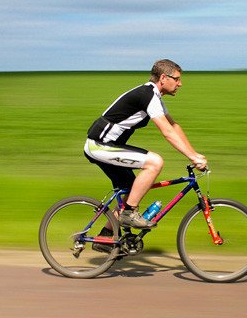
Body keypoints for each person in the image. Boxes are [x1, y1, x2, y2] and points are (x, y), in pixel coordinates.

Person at [84, 59, 208, 230]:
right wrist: (192, 157)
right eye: (177, 79)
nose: (180, 83)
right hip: (99, 145)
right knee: (155, 162)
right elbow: (167, 131)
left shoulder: (153, 96)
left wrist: (195, 154)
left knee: (131, 192)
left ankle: (105, 237)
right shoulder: (148, 95)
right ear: (163, 78)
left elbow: (174, 126)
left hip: (106, 146)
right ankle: (129, 213)